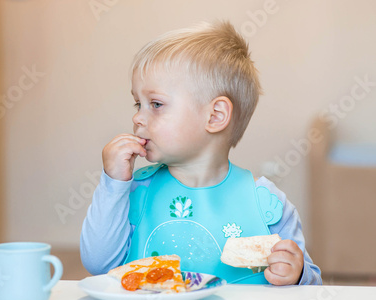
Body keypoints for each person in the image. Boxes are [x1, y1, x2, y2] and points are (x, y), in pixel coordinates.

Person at [80, 20, 322, 285]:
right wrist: (113, 183)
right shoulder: (136, 191)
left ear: (215, 116)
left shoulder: (265, 204)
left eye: (156, 104)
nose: (138, 117)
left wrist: (297, 274)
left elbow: (312, 286)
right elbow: (99, 265)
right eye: (138, 103)